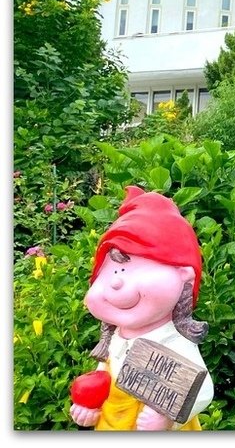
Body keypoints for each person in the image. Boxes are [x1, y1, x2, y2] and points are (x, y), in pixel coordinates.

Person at [69, 185, 213, 431]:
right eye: (110, 270)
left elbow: (201, 389)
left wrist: (167, 418)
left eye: (128, 269)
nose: (115, 281)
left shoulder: (174, 341)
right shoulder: (116, 336)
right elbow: (106, 373)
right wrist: (91, 404)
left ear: (184, 278)